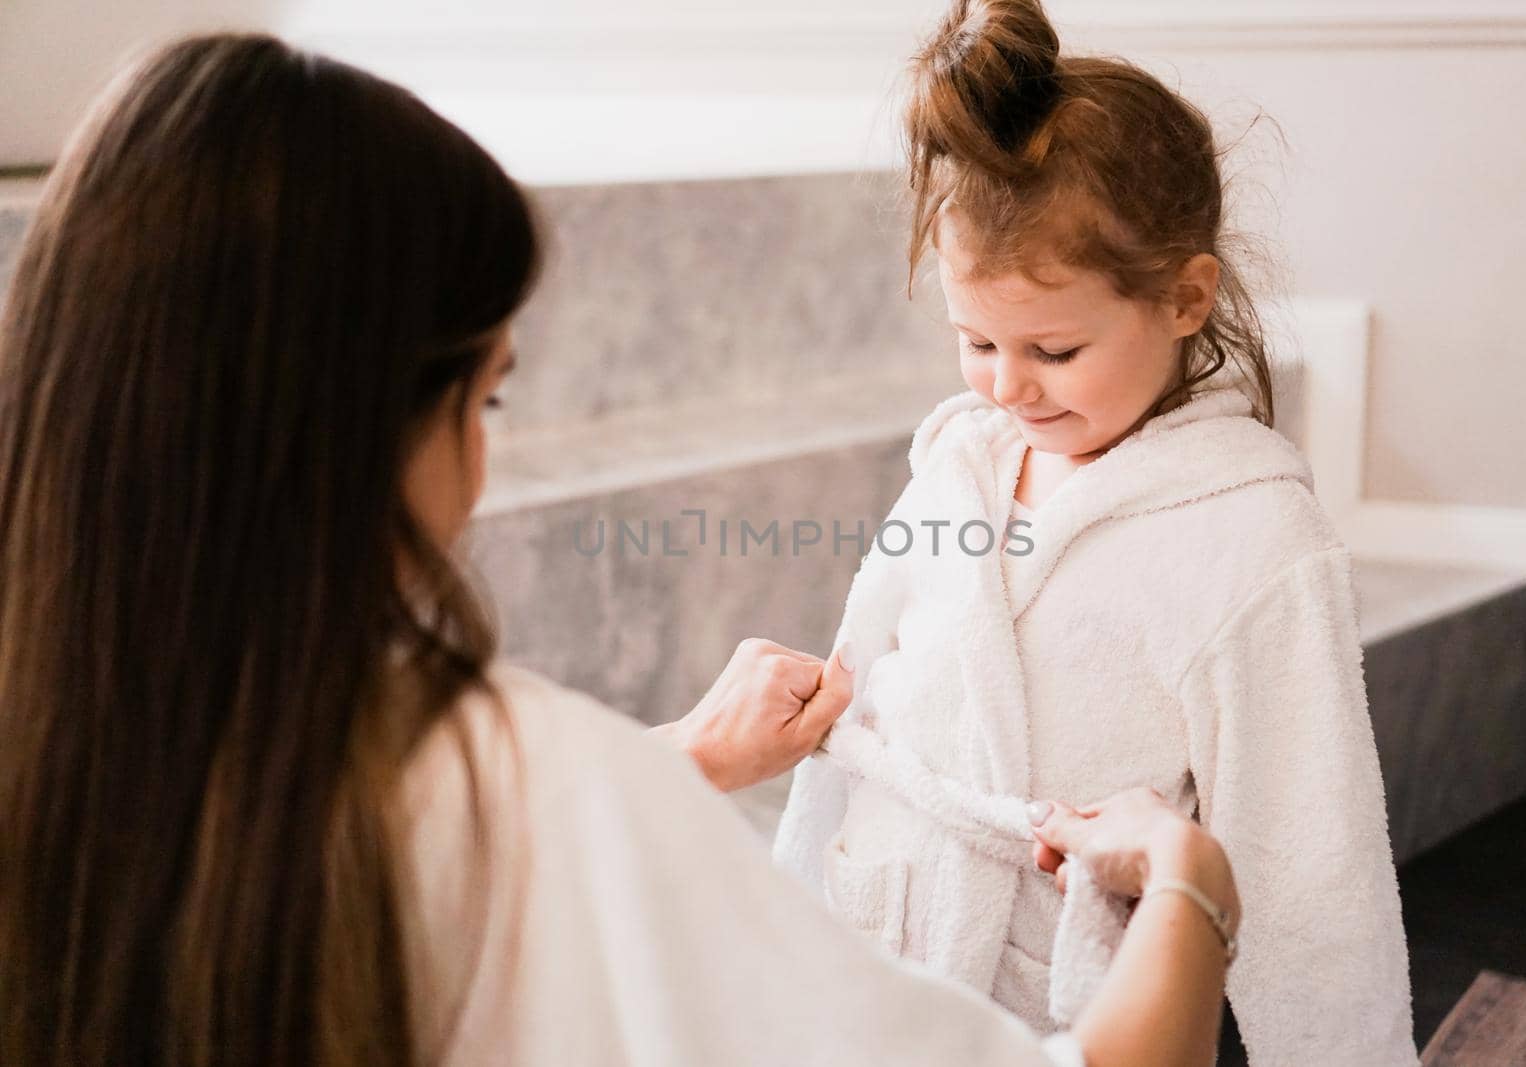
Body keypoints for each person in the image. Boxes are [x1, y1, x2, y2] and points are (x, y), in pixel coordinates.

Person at [0, 33, 1238, 1067]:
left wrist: (681, 758)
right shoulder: (530, 781)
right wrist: (1188, 884)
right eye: (483, 400)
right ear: (355, 424)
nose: (484, 465)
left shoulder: (80, 725)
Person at [773, 1, 1418, 1063]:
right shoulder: (963, 461)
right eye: (974, 339)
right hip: (882, 930)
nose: (1005, 383)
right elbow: (883, 665)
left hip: (1060, 987)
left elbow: (1309, 860)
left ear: (1182, 297)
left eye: (1054, 349)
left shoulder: (1251, 539)